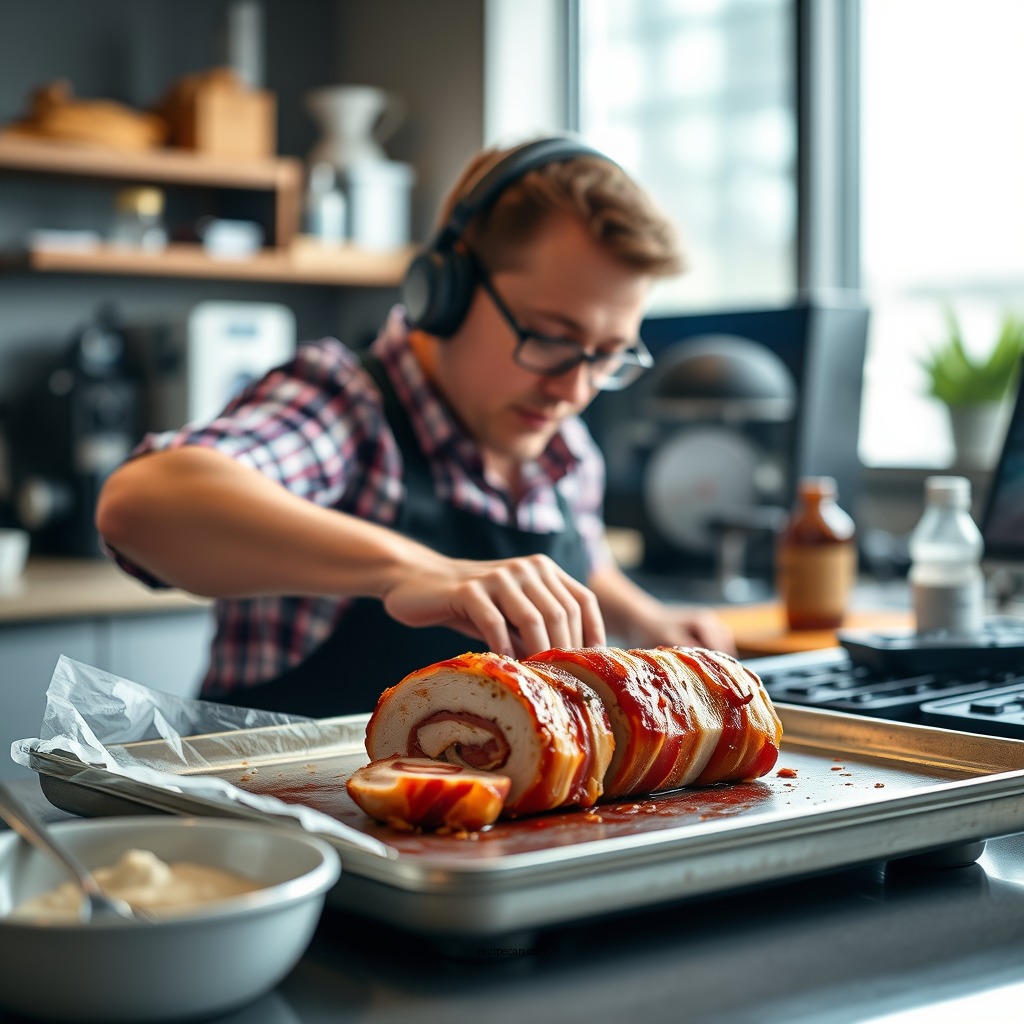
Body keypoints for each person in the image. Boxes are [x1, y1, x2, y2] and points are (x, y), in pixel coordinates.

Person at [96, 135, 735, 717]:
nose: (574, 388)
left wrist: (647, 618)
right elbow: (140, 503)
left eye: (608, 355)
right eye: (549, 337)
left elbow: (582, 560)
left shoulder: (560, 440)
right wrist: (411, 570)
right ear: (445, 289)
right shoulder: (346, 406)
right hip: (287, 826)